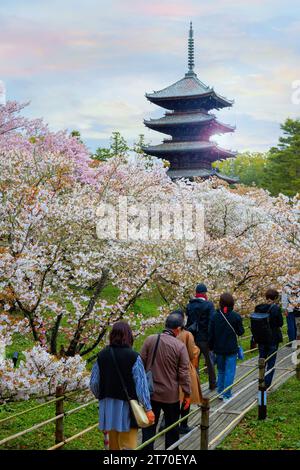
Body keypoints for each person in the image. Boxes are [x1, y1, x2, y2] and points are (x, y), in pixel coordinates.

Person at [90, 321, 155, 450]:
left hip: (108, 406)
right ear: (129, 336)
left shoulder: (102, 355)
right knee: (128, 446)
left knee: (113, 446)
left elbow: (94, 383)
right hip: (127, 407)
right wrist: (148, 408)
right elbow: (141, 385)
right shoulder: (134, 357)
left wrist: (102, 396)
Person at [141, 312, 191, 450]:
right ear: (178, 329)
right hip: (171, 395)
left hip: (151, 393)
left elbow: (140, 364)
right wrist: (187, 393)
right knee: (172, 429)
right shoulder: (179, 346)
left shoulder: (150, 340)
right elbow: (183, 373)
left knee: (149, 428)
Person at [209, 293, 244, 402]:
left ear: (220, 303)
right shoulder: (236, 316)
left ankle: (220, 392)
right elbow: (240, 332)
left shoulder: (214, 316)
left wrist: (211, 347)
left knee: (221, 371)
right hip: (231, 349)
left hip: (218, 349)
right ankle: (227, 395)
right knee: (230, 372)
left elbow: (211, 334)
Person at [186, 283, 216, 390]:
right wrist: (211, 338)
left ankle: (196, 387)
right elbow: (212, 323)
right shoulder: (209, 305)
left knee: (195, 364)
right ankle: (212, 384)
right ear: (204, 293)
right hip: (205, 339)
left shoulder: (189, 306)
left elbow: (188, 323)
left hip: (193, 339)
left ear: (196, 293)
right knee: (210, 362)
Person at [176, 309, 203, 434]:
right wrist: (197, 349)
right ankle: (183, 424)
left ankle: (167, 423)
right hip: (185, 368)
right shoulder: (187, 334)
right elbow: (192, 353)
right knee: (186, 396)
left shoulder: (167, 334)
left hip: (170, 369)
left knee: (174, 398)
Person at [253, 288, 283, 388]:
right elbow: (280, 323)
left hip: (261, 338)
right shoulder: (276, 309)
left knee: (262, 361)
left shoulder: (258, 307)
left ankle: (261, 380)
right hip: (273, 339)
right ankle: (266, 384)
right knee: (271, 362)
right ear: (275, 298)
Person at [282, 279, 300, 343]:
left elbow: (284, 299)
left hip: (290, 308)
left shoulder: (286, 287)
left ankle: (293, 343)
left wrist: (284, 308)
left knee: (291, 326)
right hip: (298, 307)